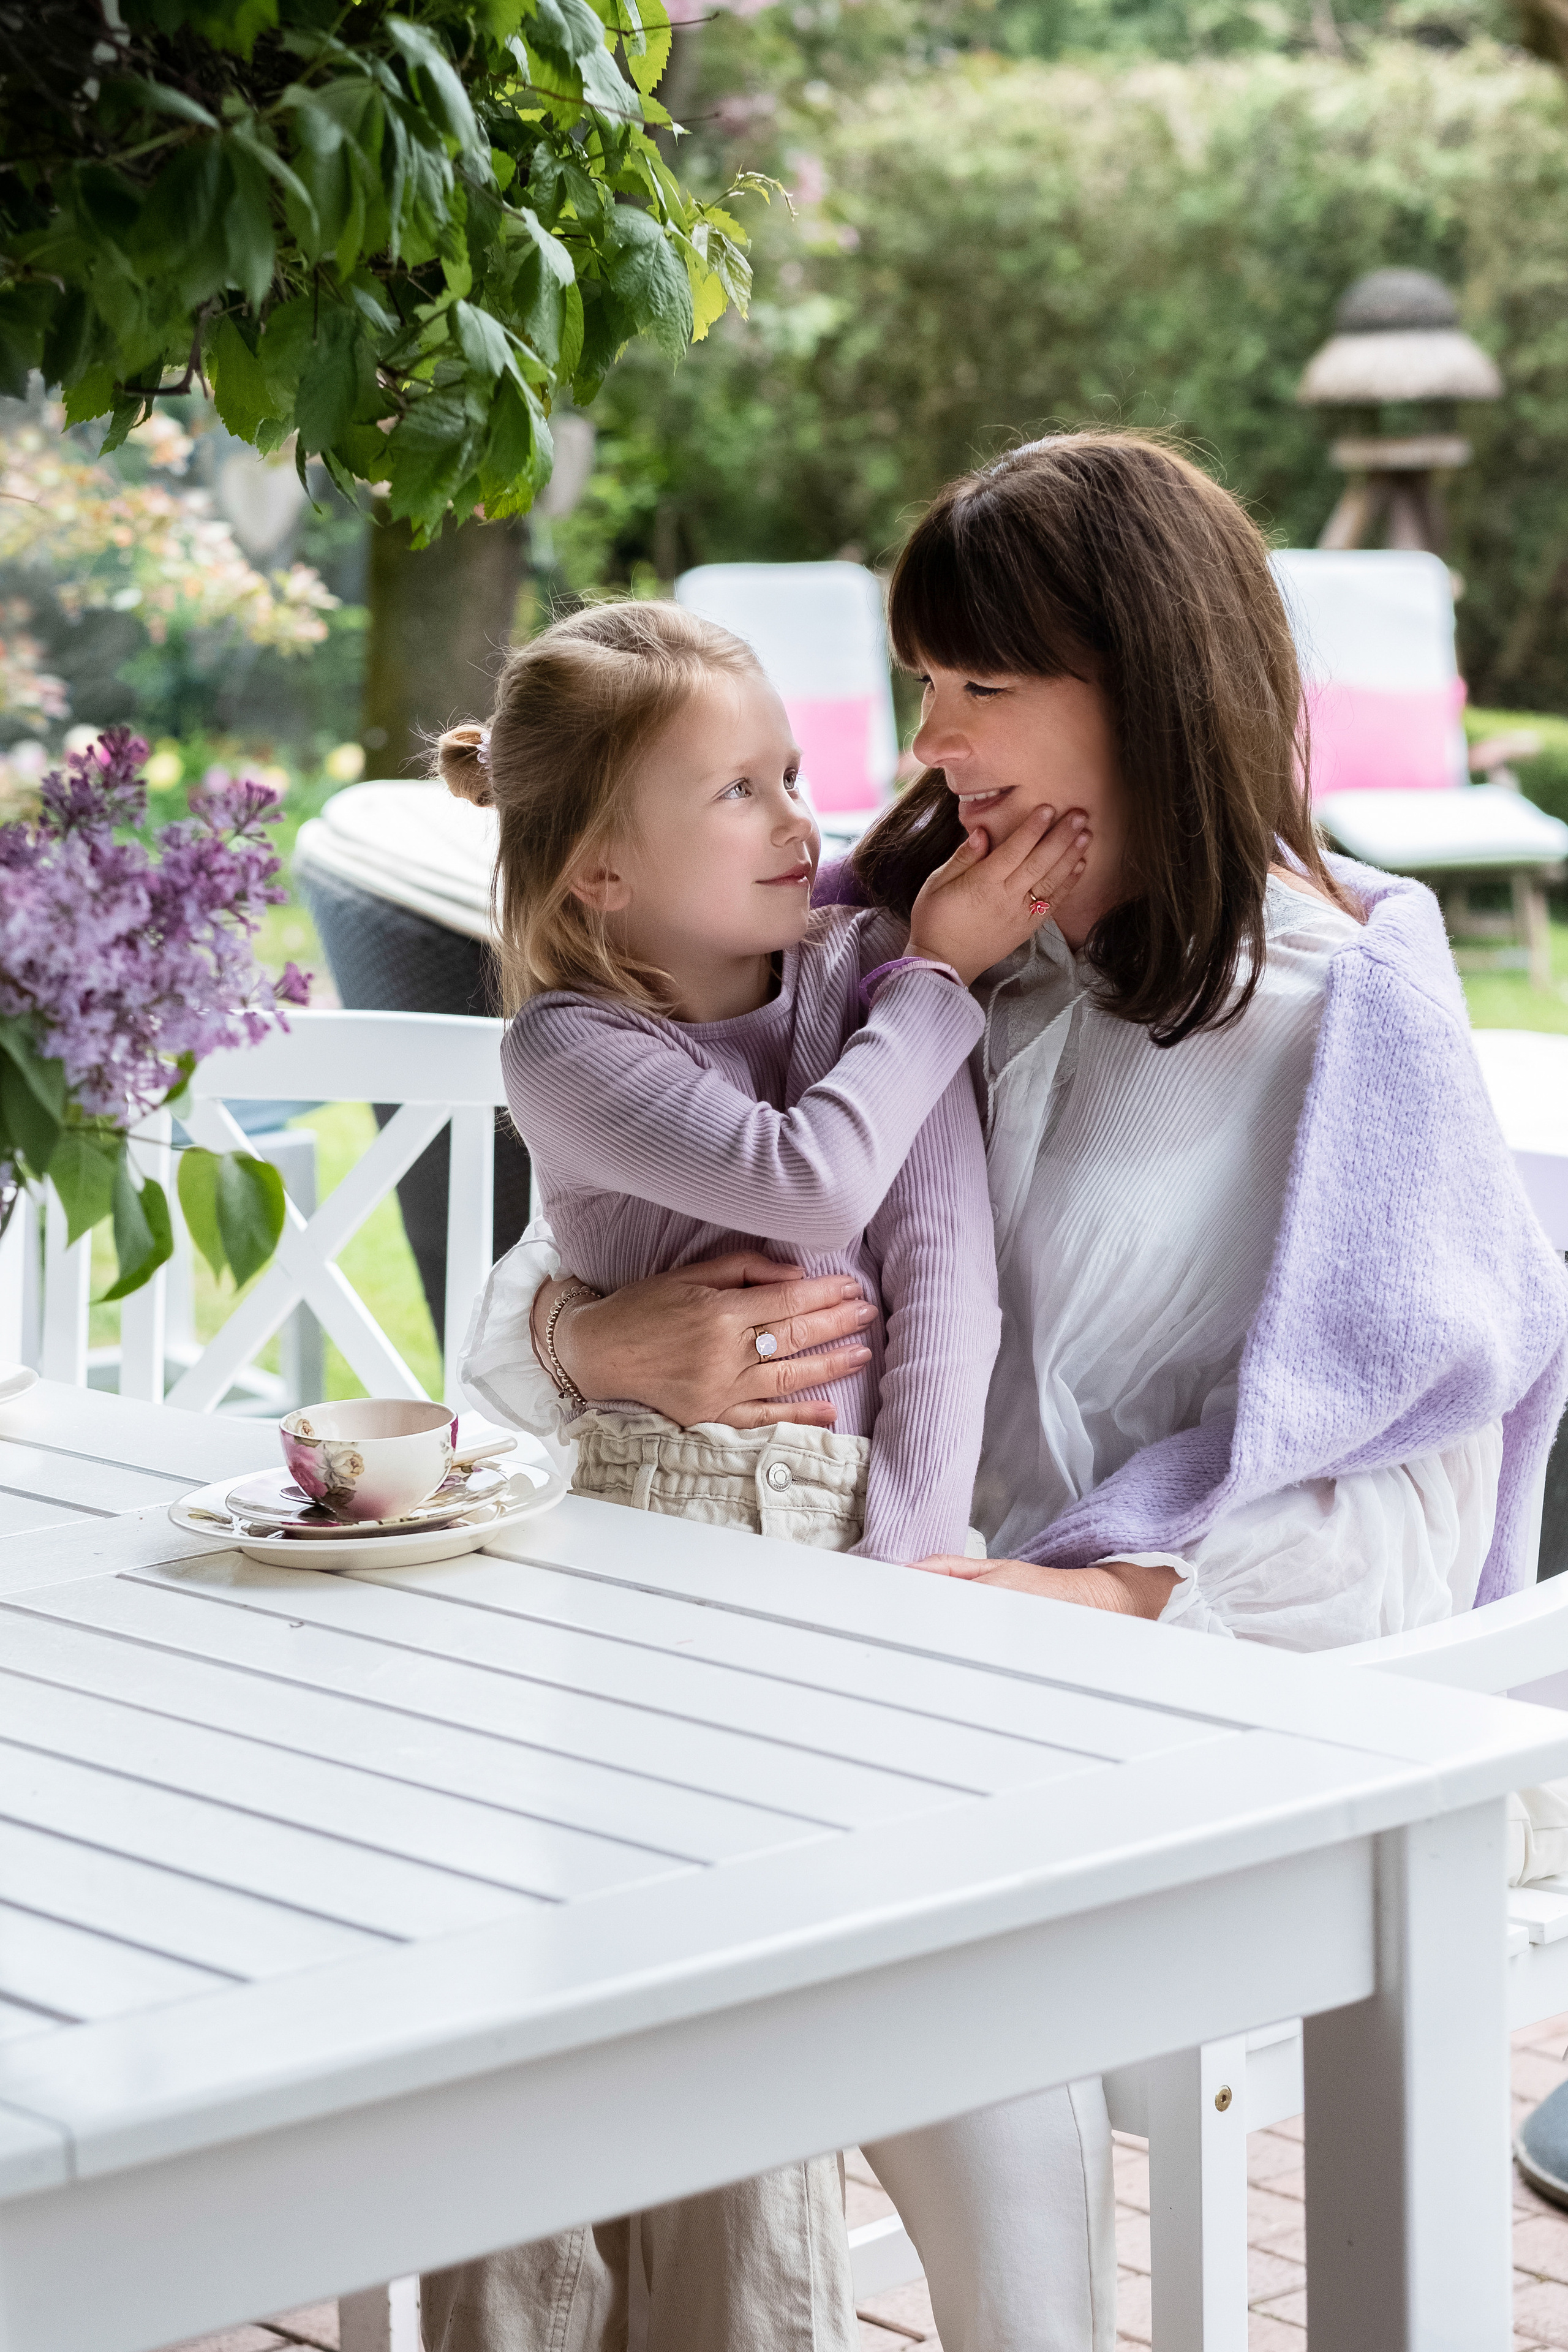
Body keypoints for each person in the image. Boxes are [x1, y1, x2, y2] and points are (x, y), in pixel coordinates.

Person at [458, 433, 1568, 2352]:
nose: (928, 738)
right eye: (924, 682)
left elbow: (1411, 1492)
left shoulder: (1336, 1010)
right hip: (847, 1675)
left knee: (855, 1971)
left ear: (1140, 689)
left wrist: (1091, 1605)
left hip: (1153, 1728)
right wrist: (578, 1345)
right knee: (534, 1902)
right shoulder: (893, 949)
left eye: (982, 685)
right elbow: (579, 1252)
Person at [420, 597, 1091, 2352]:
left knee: (742, 2041)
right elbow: (806, 1182)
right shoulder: (569, 1053)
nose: (802, 818)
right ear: (597, 880)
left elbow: (943, 1280)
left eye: (795, 773)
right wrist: (939, 982)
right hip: (627, 1556)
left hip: (821, 1585)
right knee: (565, 2027)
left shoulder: (860, 984)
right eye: (738, 793)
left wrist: (912, 1565)